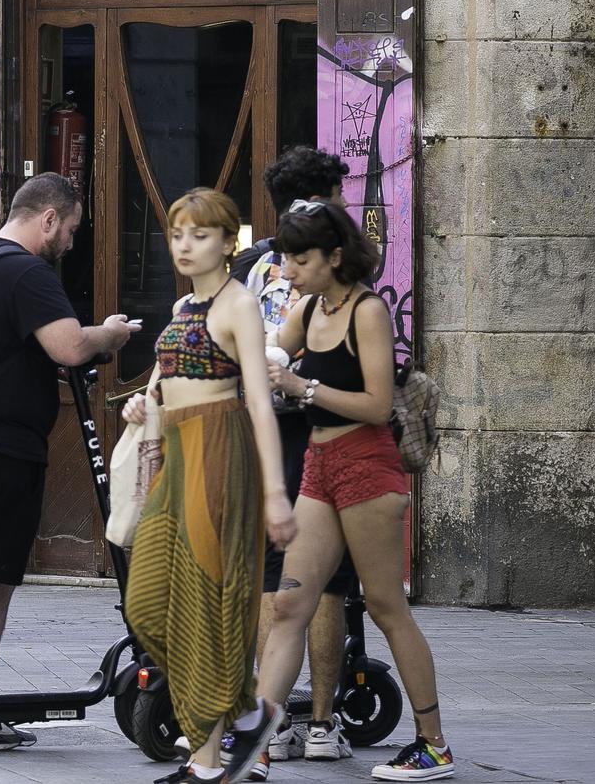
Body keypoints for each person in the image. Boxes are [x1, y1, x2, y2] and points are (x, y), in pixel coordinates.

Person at [0, 172, 139, 752]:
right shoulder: (26, 272)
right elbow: (67, 346)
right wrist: (109, 336)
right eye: (70, 228)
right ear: (47, 219)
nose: (70, 240)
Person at [257, 201, 456, 781]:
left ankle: (433, 744)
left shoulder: (367, 311)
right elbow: (267, 346)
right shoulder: (309, 308)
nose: (288, 269)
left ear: (334, 256)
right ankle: (258, 742)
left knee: (387, 606)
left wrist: (302, 385)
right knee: (291, 603)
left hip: (367, 466)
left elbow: (374, 405)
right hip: (319, 465)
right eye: (287, 258)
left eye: (300, 258)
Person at [126, 188, 295, 784]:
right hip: (176, 451)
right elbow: (159, 383)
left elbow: (258, 400)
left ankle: (208, 757)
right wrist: (143, 406)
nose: (185, 246)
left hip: (221, 452)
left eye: (199, 235)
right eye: (177, 235)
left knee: (208, 599)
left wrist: (276, 493)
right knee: (145, 604)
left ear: (229, 242)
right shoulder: (181, 311)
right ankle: (247, 711)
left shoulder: (238, 305)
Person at [233, 147, 357, 764]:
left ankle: (273, 718)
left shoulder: (250, 267)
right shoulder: (333, 272)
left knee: (269, 573)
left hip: (263, 431)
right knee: (328, 578)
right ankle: (322, 720)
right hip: (323, 425)